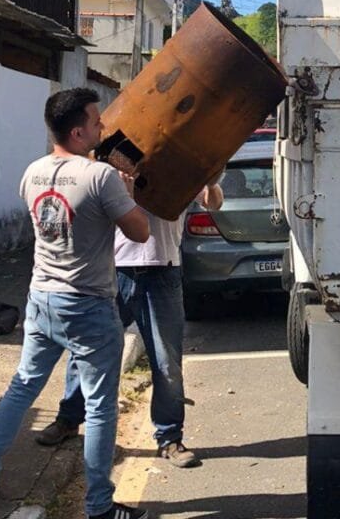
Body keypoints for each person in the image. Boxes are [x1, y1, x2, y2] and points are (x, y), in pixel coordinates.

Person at [0, 88, 152, 519]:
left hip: (42, 299)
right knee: (101, 406)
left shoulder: (32, 173)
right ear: (79, 130)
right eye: (97, 121)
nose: (104, 127)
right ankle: (99, 507)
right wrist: (128, 193)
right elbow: (139, 232)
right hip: (88, 303)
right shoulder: (100, 177)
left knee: (21, 388)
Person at [37, 178, 223, 470]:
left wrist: (212, 181)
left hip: (161, 270)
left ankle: (169, 438)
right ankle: (69, 419)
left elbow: (213, 202)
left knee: (166, 360)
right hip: (110, 268)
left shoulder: (178, 166)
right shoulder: (113, 168)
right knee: (85, 350)